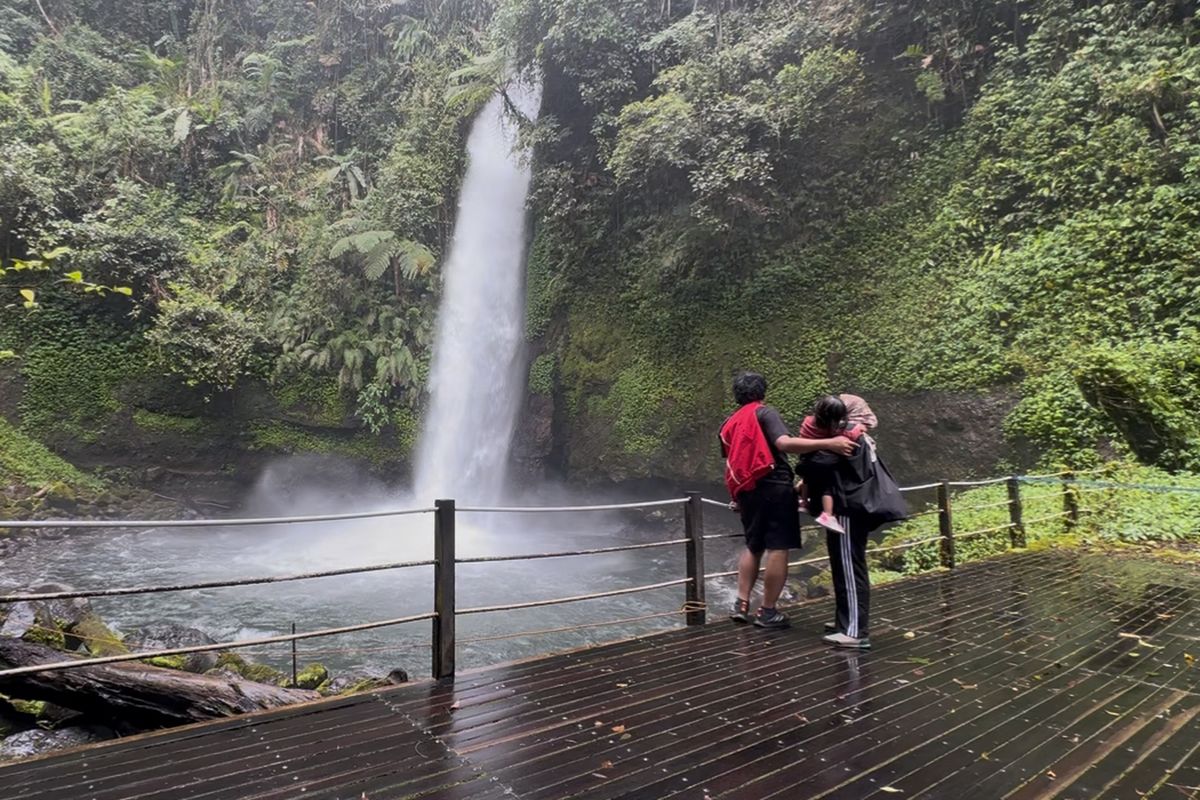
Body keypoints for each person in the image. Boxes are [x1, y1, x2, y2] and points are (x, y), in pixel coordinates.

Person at [719, 373, 854, 629]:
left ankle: (741, 604)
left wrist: (737, 495)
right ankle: (768, 611)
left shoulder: (729, 423)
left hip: (746, 490)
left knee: (753, 545)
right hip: (774, 485)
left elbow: (735, 459)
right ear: (762, 392)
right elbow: (783, 443)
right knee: (778, 547)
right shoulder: (764, 413)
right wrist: (830, 443)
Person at [797, 394, 891, 650]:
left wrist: (807, 464)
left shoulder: (852, 438)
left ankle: (854, 631)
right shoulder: (847, 436)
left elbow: (820, 464)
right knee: (841, 565)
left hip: (847, 509)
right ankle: (844, 621)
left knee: (849, 566)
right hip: (844, 508)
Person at [797, 397, 867, 534]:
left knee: (807, 479)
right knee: (828, 488)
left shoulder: (808, 422)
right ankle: (828, 515)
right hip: (825, 465)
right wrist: (859, 429)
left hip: (806, 462)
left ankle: (804, 502)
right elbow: (850, 433)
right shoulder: (834, 429)